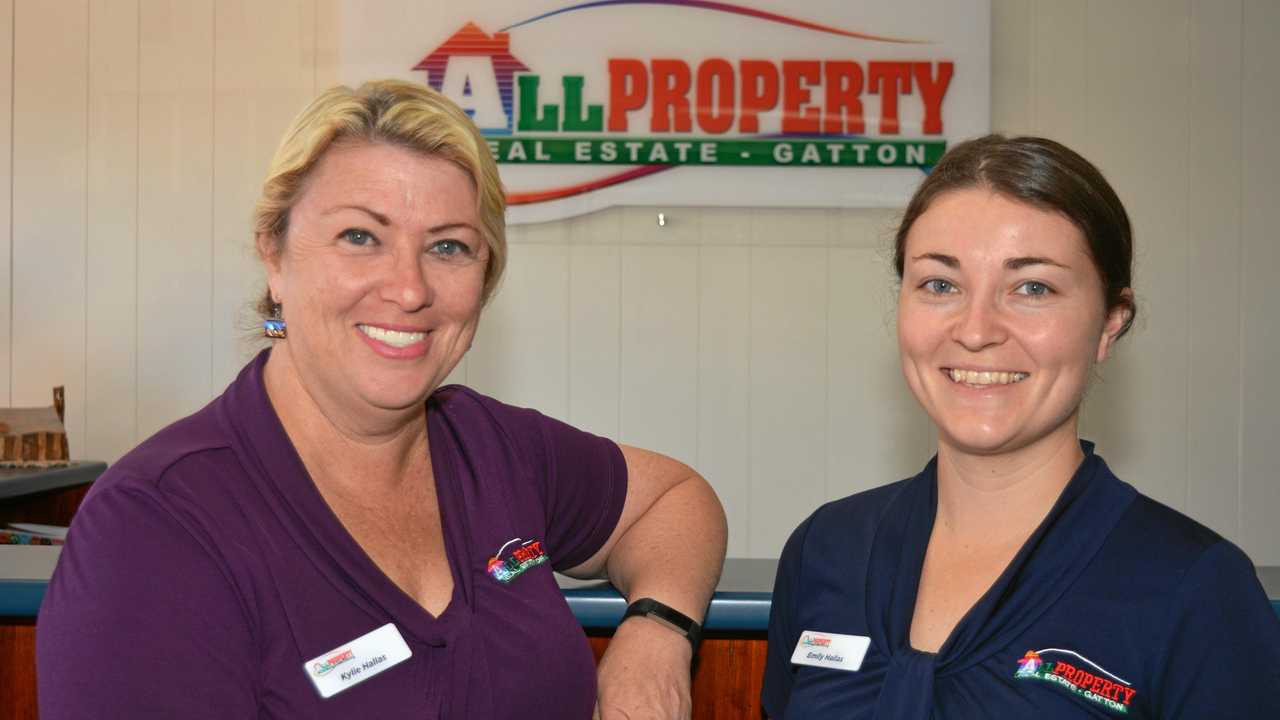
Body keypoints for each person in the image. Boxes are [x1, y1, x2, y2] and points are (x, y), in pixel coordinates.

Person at [37, 79, 726, 719]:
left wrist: (656, 635)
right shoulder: (158, 524)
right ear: (273, 257)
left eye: (449, 247)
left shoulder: (493, 449)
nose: (409, 288)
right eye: (360, 237)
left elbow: (676, 501)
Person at [762, 135, 1280, 718]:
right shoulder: (826, 548)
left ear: (1111, 321)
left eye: (1032, 288)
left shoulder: (1196, 588)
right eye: (940, 284)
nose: (977, 329)